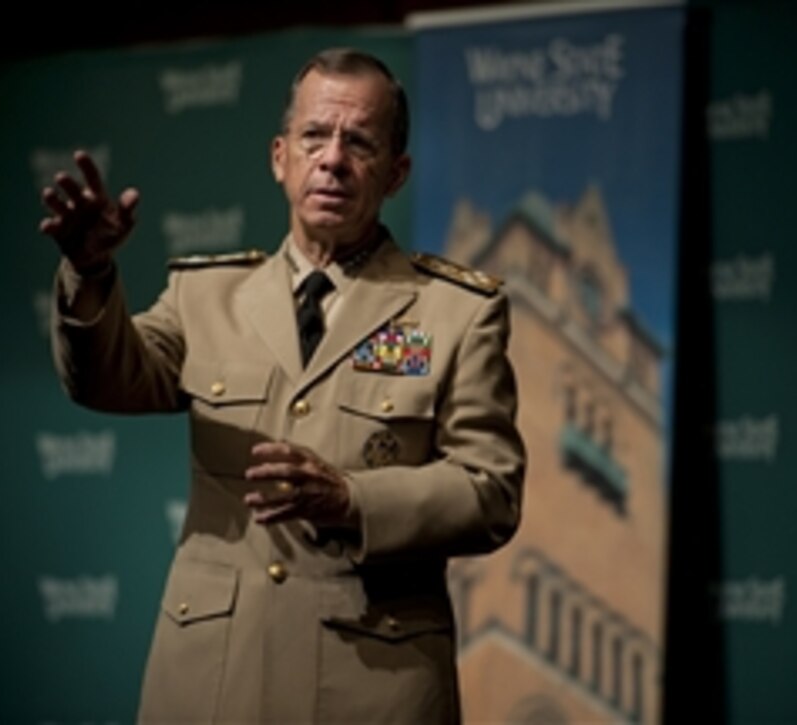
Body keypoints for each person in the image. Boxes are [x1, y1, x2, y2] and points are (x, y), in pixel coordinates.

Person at [40, 48, 525, 724]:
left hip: (372, 687)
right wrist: (90, 273)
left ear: (395, 173)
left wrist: (354, 500)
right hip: (213, 679)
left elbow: (491, 489)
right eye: (314, 136)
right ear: (279, 158)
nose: (332, 158)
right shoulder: (204, 294)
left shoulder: (457, 312)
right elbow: (106, 380)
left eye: (359, 141)